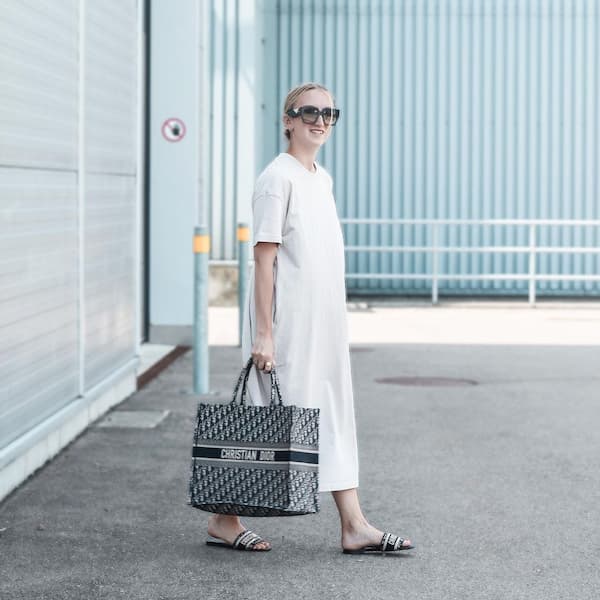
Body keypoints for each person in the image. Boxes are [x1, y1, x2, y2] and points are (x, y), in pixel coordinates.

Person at [206, 82, 414, 554]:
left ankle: (354, 524)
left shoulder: (321, 178)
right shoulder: (276, 178)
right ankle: (225, 518)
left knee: (332, 414)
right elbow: (264, 259)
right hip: (287, 326)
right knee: (269, 419)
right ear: (287, 120)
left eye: (329, 113)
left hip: (324, 325)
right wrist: (264, 333)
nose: (320, 120)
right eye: (308, 112)